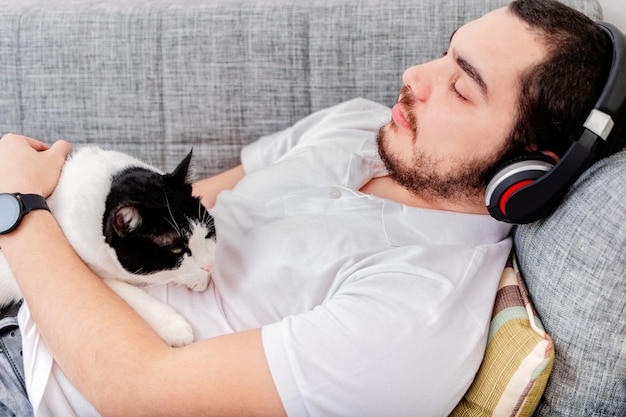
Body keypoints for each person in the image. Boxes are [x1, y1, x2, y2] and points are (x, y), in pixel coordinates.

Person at [0, 0, 617, 415]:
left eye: (461, 86)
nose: (414, 75)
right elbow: (191, 200)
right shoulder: (364, 125)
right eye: (444, 52)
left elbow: (138, 390)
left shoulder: (418, 314)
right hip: (35, 282)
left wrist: (19, 208)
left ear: (531, 171)